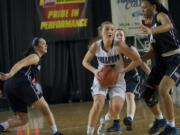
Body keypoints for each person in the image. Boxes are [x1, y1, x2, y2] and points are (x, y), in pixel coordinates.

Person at [82, 21, 142, 135]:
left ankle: (104, 120)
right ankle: (89, 132)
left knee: (117, 108)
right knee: (98, 104)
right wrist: (95, 71)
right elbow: (84, 62)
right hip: (101, 77)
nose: (110, 31)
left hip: (118, 79)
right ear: (101, 32)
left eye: (112, 29)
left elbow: (138, 60)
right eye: (107, 29)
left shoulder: (119, 45)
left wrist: (123, 70)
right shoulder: (96, 45)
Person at [0, 37, 63, 135]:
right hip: (20, 83)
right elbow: (19, 64)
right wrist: (9, 74)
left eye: (46, 43)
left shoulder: (34, 60)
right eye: (43, 43)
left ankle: (2, 126)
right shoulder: (35, 56)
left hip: (9, 85)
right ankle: (55, 132)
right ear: (36, 47)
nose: (46, 45)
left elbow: (27, 75)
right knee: (45, 107)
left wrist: (7, 88)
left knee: (23, 119)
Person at [140, 0, 180, 134]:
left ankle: (172, 127)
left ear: (154, 6)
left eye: (145, 7)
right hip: (162, 62)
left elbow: (168, 26)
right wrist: (137, 59)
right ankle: (159, 119)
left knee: (163, 89)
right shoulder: (151, 26)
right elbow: (151, 52)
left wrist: (151, 30)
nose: (143, 10)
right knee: (147, 94)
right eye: (142, 8)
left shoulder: (161, 16)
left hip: (175, 58)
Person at [105, 29, 151, 132]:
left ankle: (129, 118)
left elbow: (141, 62)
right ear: (114, 38)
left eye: (121, 35)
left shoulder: (131, 48)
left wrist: (150, 73)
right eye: (117, 35)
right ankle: (116, 124)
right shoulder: (111, 51)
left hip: (131, 76)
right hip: (118, 77)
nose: (119, 36)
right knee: (113, 100)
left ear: (124, 38)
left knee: (129, 95)